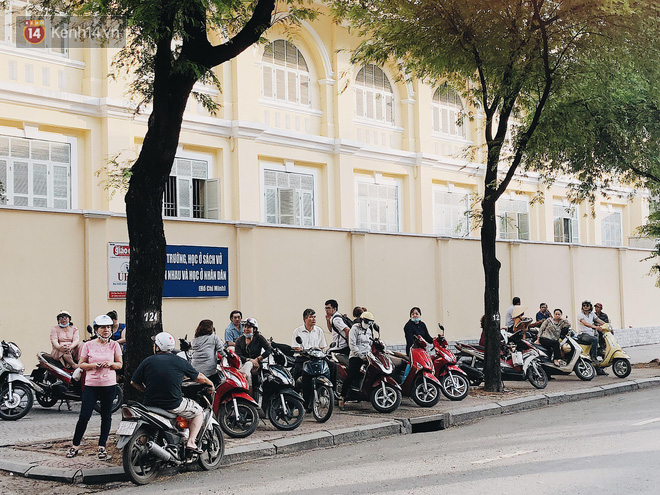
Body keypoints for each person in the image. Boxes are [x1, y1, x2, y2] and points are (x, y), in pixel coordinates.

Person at [131, 332, 213, 453]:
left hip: (149, 404)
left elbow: (134, 382)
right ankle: (191, 442)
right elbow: (199, 377)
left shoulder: (147, 361)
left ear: (157, 347)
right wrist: (210, 384)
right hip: (172, 404)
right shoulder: (179, 361)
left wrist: (146, 390)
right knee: (199, 411)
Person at [66, 314, 122, 460]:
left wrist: (111, 364)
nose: (106, 330)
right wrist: (93, 366)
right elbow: (81, 364)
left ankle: (102, 446)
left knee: (106, 416)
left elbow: (119, 364)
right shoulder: (88, 345)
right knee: (84, 415)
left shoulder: (114, 345)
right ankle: (75, 445)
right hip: (91, 385)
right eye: (103, 327)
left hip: (109, 385)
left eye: (108, 327)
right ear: (96, 329)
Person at [292, 308, 336, 409]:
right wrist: (306, 352)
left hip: (317, 357)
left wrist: (320, 353)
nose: (313, 319)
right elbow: (297, 347)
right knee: (301, 374)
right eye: (311, 317)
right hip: (304, 358)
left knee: (333, 366)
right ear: (305, 319)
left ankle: (331, 392)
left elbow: (322, 347)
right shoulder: (298, 331)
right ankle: (303, 401)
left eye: (314, 317)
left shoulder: (319, 330)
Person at [338, 311, 375, 411]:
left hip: (367, 357)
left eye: (370, 323)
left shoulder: (369, 330)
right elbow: (352, 345)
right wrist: (360, 355)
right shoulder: (354, 329)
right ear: (362, 320)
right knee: (351, 375)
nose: (368, 324)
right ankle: (342, 397)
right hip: (355, 356)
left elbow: (370, 343)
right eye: (367, 321)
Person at [234, 318, 271, 391]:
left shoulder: (259, 338)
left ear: (254, 329)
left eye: (249, 327)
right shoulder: (239, 340)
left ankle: (245, 376)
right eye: (245, 327)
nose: (246, 329)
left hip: (256, 365)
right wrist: (250, 360)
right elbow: (238, 355)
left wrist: (257, 359)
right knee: (248, 366)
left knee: (251, 368)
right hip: (243, 364)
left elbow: (269, 349)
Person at [191, 319, 225, 387]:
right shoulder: (214, 338)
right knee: (219, 383)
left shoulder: (195, 340)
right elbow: (222, 351)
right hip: (209, 371)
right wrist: (227, 355)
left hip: (196, 370)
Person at [577, 300, 607, 375]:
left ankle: (599, 371)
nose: (585, 307)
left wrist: (607, 325)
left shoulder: (592, 314)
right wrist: (595, 327)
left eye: (587, 305)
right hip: (583, 335)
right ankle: (594, 357)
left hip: (591, 335)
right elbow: (586, 324)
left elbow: (599, 320)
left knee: (596, 344)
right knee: (595, 340)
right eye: (584, 305)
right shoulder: (580, 315)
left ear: (590, 306)